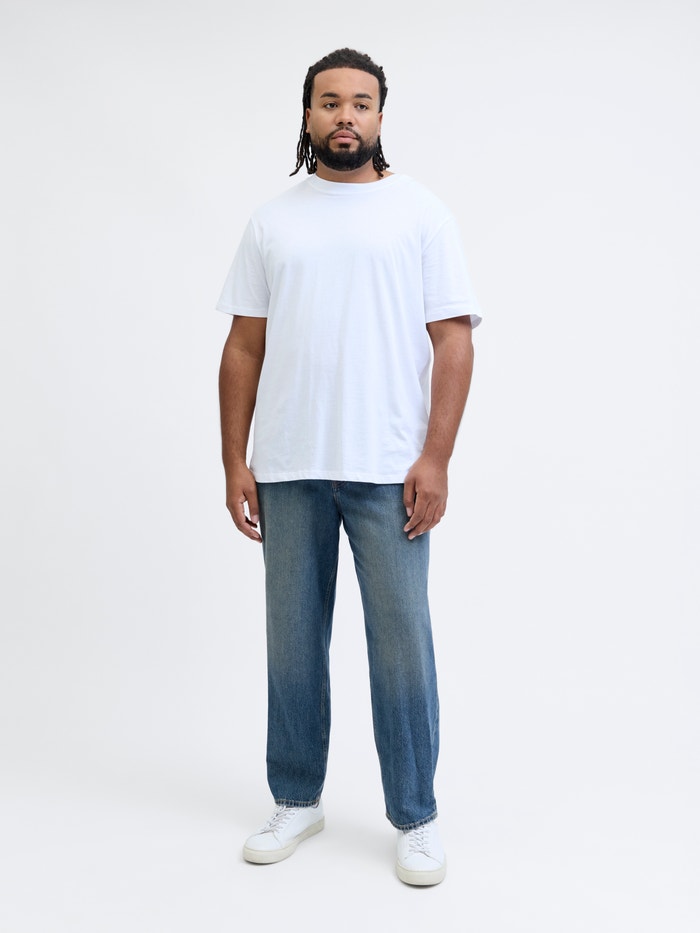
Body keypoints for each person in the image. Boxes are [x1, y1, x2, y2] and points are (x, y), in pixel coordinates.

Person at [216, 47, 482, 886]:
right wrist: (233, 460)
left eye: (360, 103)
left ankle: (416, 815)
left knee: (402, 646)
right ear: (307, 115)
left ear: (379, 116)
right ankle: (296, 797)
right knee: (292, 642)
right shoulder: (273, 221)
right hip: (289, 464)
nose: (345, 116)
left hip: (388, 467)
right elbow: (243, 346)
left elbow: (454, 341)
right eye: (329, 102)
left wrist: (436, 457)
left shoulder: (421, 214)